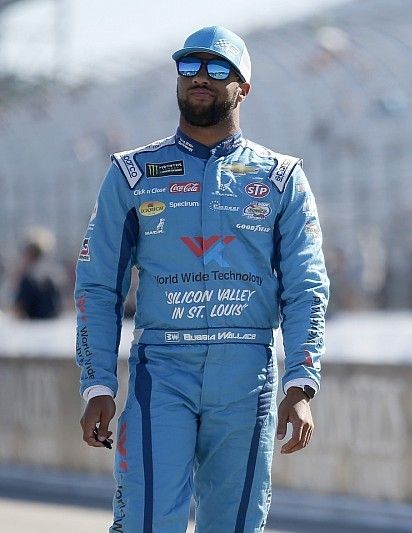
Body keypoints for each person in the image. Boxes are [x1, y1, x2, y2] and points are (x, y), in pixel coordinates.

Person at [74, 26, 329, 532]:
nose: (200, 78)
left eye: (218, 69)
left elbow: (306, 288)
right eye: (189, 66)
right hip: (161, 374)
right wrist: (97, 383)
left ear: (244, 87)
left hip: (248, 376)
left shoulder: (281, 177)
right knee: (146, 524)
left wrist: (302, 384)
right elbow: (99, 285)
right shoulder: (132, 174)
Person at [13, 227, 63, 319]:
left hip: (37, 326)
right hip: (48, 325)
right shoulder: (53, 275)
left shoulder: (29, 278)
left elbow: (19, 307)